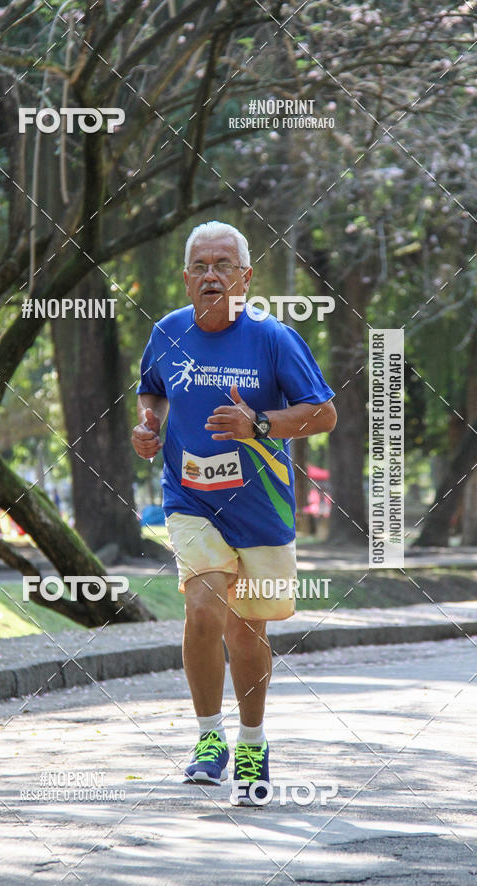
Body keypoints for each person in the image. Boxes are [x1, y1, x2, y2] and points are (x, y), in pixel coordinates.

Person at [132, 221, 337, 805]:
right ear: (187, 277)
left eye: (224, 265)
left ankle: (252, 741)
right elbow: (152, 389)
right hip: (190, 496)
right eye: (201, 266)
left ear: (245, 278)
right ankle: (208, 739)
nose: (212, 275)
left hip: (262, 505)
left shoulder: (273, 339)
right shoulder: (168, 333)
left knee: (248, 630)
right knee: (202, 607)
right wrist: (148, 426)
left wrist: (259, 425)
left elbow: (324, 414)